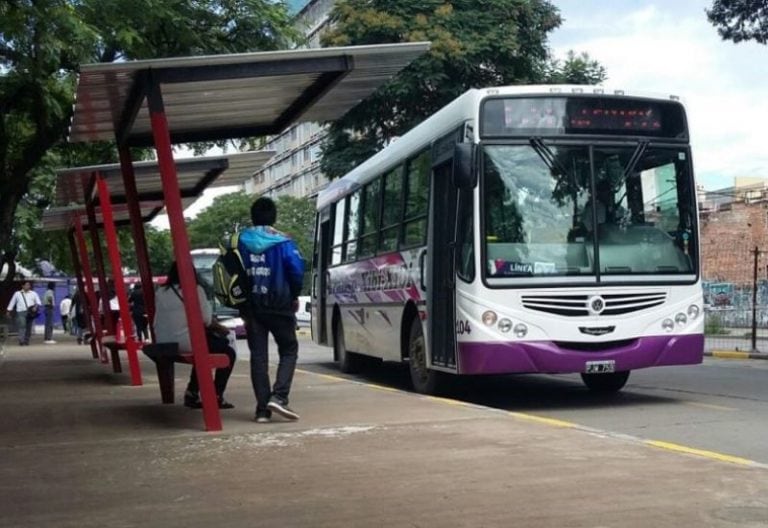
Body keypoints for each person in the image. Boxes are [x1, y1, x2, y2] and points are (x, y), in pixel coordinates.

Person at [237, 197, 305, 423]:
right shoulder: (284, 242)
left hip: (252, 308)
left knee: (259, 357)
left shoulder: (240, 242)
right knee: (289, 349)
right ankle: (279, 396)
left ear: (253, 216)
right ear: (273, 216)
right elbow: (296, 272)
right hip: (280, 305)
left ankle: (262, 410)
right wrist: (294, 296)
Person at [154, 262, 236, 410]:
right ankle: (216, 395)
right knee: (227, 352)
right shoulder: (195, 290)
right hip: (186, 342)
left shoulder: (161, 292)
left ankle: (192, 393)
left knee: (204, 350)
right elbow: (206, 320)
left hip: (163, 342)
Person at [6, 281, 42, 346]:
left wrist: (35, 307)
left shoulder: (33, 293)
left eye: (29, 285)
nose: (28, 286)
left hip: (30, 312)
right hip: (21, 312)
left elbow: (38, 302)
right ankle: (21, 340)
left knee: (29, 327)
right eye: (26, 285)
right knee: (22, 325)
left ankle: (26, 340)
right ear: (22, 286)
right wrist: (9, 310)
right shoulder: (17, 293)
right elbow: (12, 302)